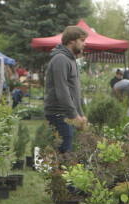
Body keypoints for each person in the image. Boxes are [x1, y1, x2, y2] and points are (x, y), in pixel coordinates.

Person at [44, 25, 88, 154]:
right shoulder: (61, 59)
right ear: (71, 40)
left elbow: (75, 91)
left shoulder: (71, 60)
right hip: (59, 114)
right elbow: (62, 90)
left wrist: (81, 115)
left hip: (67, 113)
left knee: (65, 154)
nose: (85, 44)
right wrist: (75, 115)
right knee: (64, 155)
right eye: (82, 40)